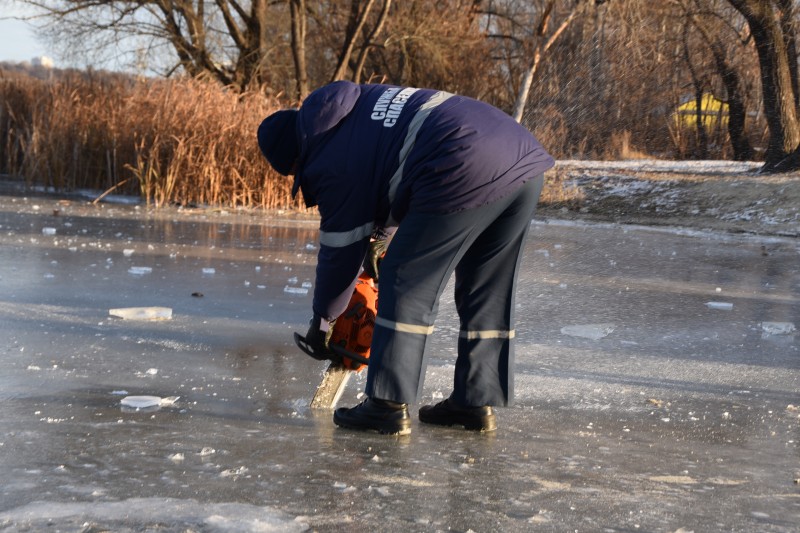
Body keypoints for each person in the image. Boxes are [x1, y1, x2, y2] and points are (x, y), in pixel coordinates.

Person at [257, 81, 554, 435]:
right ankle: (474, 401)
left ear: (296, 156)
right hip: (520, 157)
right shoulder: (353, 111)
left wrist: (324, 322)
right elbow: (396, 176)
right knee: (486, 287)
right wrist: (379, 244)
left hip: (461, 162)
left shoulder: (327, 156)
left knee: (404, 280)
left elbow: (341, 250)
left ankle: (385, 406)